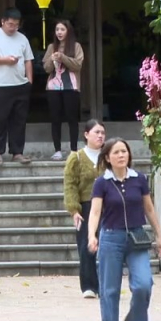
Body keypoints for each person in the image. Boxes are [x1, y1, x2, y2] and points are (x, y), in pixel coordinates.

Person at [87, 138, 161, 321]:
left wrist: (159, 236)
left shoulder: (139, 179)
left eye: (124, 151)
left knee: (144, 284)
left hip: (136, 236)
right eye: (116, 152)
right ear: (107, 158)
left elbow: (149, 209)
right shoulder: (102, 183)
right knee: (109, 289)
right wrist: (92, 235)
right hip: (111, 237)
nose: (121, 155)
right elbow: (95, 212)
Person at [0, 7, 34, 166]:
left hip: (21, 84)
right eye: (10, 24)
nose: (13, 28)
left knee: (19, 121)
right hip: (0, 85)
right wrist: (5, 60)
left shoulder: (22, 38)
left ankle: (17, 152)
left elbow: (28, 60)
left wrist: (29, 80)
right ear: (2, 21)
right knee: (0, 119)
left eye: (16, 25)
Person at [63, 119, 105, 299]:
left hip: (107, 206)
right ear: (86, 135)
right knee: (86, 246)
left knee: (108, 246)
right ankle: (88, 285)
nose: (100, 136)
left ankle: (106, 285)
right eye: (97, 132)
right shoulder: (77, 157)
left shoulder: (109, 155)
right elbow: (70, 185)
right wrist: (74, 210)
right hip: (86, 206)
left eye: (103, 133)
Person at [43, 19, 84, 161]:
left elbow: (77, 65)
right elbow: (46, 68)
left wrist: (63, 58)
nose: (59, 32)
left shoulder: (76, 46)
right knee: (55, 119)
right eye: (57, 30)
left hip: (71, 86)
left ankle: (73, 150)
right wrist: (52, 59)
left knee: (72, 118)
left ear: (68, 31)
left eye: (62, 29)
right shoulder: (51, 47)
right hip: (53, 87)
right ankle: (57, 150)